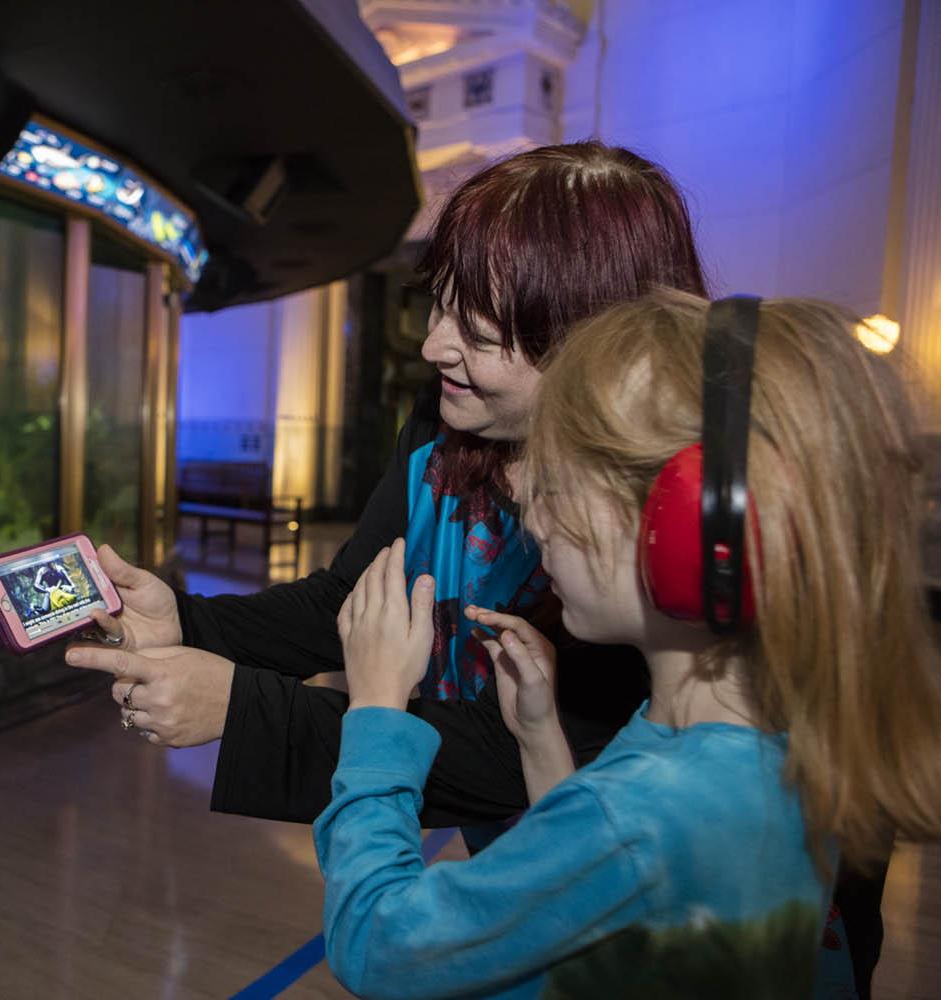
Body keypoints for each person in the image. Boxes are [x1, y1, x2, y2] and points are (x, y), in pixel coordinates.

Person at [63, 143, 880, 992]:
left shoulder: (667, 569)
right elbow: (355, 598)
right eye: (439, 306)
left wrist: (250, 705)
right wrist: (191, 622)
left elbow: (421, 890)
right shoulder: (446, 436)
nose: (433, 347)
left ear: (594, 342)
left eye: (480, 331)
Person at [312, 290, 941, 997]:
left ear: (690, 529)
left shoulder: (638, 820)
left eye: (555, 483)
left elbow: (380, 943)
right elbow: (612, 896)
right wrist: (542, 740)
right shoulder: (771, 744)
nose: (535, 519)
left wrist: (376, 713)